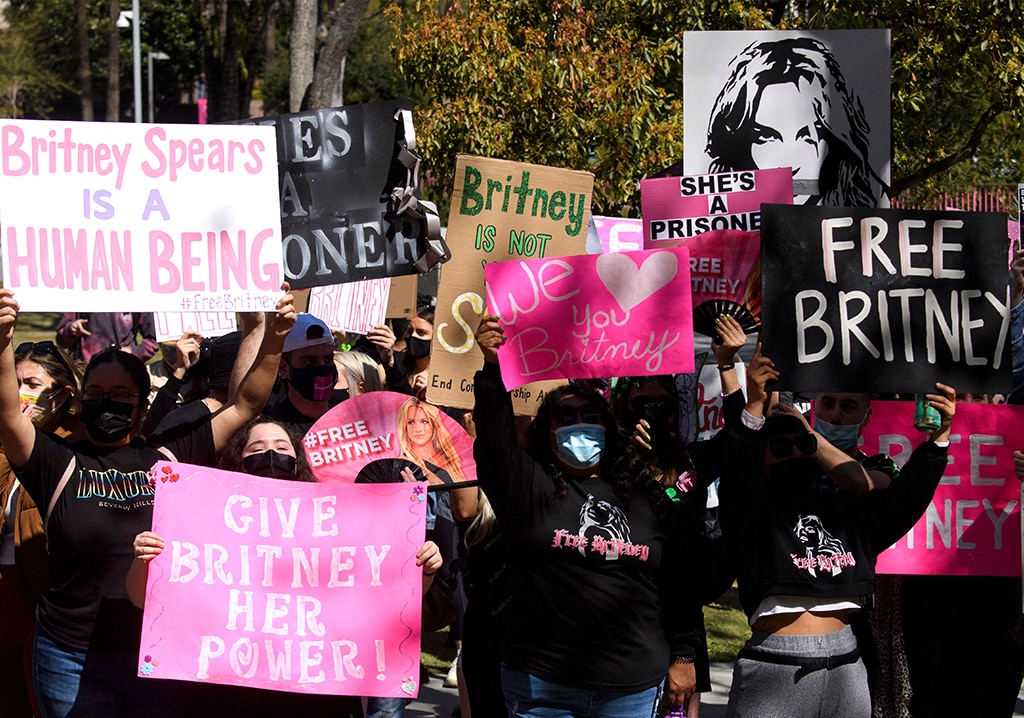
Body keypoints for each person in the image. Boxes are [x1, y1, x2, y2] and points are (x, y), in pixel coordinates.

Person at [0, 285, 295, 718]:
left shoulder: (169, 456)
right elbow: (9, 414)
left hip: (157, 656)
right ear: (82, 402)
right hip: (69, 655)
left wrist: (276, 336)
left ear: (140, 407)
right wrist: (4, 339)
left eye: (121, 396)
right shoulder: (55, 462)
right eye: (98, 393)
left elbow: (247, 402)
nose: (108, 402)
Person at [473, 315, 702, 718]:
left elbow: (679, 578)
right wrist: (493, 368)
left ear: (610, 428)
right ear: (547, 432)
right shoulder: (527, 486)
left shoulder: (645, 490)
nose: (580, 424)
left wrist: (684, 655)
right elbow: (493, 443)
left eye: (592, 417)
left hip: (632, 688)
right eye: (566, 417)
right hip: (542, 686)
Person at [717, 345, 955, 718]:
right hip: (775, 667)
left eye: (802, 445)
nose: (794, 452)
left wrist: (938, 441)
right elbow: (738, 478)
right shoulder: (754, 515)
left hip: (847, 665)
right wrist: (752, 404)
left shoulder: (850, 508)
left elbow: (903, 501)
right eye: (779, 446)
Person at [705, 36, 887, 207]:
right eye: (767, 137)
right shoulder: (716, 217)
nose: (790, 167)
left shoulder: (869, 211)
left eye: (809, 137)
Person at [0, 341, 82, 718]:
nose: (19, 393)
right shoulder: (5, 445)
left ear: (63, 395)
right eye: (12, 382)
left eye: (31, 382)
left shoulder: (77, 450)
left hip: (47, 605)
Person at [263, 313, 340, 434]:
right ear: (284, 368)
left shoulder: (350, 410)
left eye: (328, 359)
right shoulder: (275, 430)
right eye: (310, 362)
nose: (322, 368)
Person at [398, 396, 467, 486]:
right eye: (411, 422)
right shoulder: (403, 464)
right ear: (404, 426)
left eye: (424, 421)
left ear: (434, 423)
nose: (418, 429)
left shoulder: (452, 456)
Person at [56, 312, 159, 364]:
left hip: (122, 369)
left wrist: (131, 352)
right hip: (84, 372)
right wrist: (71, 330)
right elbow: (61, 341)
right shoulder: (83, 293)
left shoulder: (135, 297)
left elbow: (153, 342)